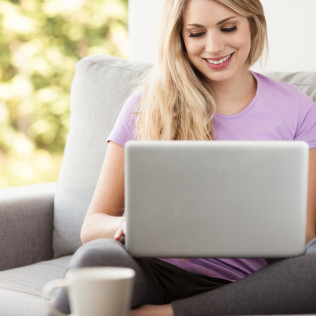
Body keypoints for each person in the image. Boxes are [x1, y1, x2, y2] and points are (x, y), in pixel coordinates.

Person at [51, 0, 316, 315]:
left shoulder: (298, 109)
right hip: (155, 272)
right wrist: (128, 226)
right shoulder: (147, 104)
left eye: (228, 27)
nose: (214, 47)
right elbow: (92, 226)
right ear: (179, 38)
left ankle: (165, 313)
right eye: (196, 33)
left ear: (253, 25)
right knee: (92, 262)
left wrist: (218, 230)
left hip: (247, 284)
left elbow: (304, 234)